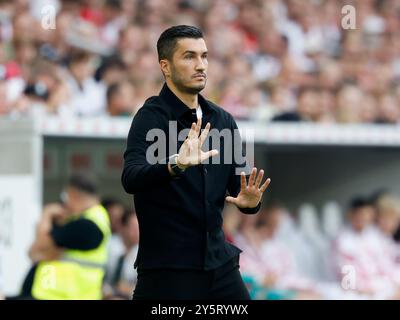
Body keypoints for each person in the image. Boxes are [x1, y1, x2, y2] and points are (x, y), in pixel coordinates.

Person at [121, 25, 271, 300]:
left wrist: (251, 202)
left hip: (219, 265)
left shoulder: (224, 120)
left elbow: (239, 189)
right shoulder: (150, 117)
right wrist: (175, 164)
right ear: (165, 66)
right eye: (189, 57)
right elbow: (130, 177)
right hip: (168, 271)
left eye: (204, 56)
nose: (200, 65)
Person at [26, 173, 111, 300]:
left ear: (73, 194)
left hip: (65, 296)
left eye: (65, 196)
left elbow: (40, 245)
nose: (64, 203)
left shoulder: (85, 225)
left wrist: (47, 214)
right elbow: (34, 252)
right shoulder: (88, 218)